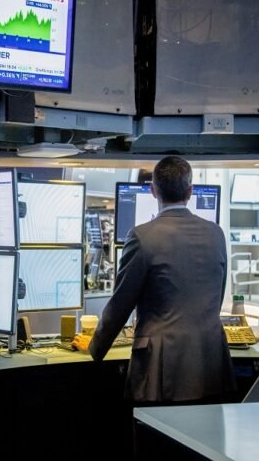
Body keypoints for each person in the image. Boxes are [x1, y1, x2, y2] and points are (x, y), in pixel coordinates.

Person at [74, 155, 236, 404]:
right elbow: (217, 295)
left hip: (162, 370)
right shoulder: (216, 234)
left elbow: (120, 304)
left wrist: (95, 346)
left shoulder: (142, 236)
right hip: (211, 366)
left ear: (153, 190)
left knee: (154, 431)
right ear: (190, 191)